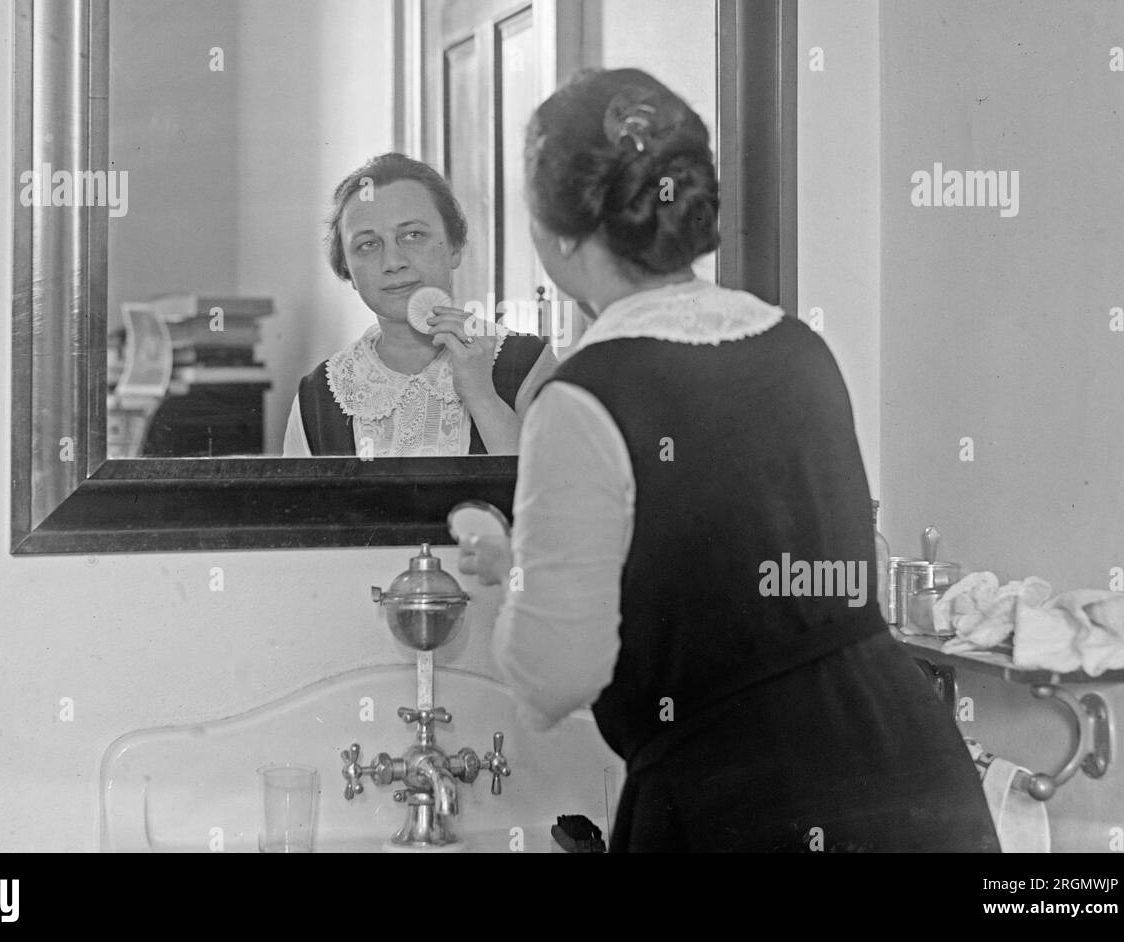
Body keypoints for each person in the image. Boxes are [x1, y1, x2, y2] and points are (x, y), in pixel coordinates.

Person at [459, 68, 1000, 852]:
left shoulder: (582, 398)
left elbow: (554, 677)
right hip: (915, 776)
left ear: (557, 233)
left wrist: (514, 569)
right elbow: (742, 578)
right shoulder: (796, 346)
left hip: (739, 804)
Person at [282, 153, 559, 457]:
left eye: (413, 235)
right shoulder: (318, 395)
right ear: (347, 269)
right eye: (367, 245)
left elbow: (555, 494)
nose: (393, 262)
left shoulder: (526, 362)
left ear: (455, 247)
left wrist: (482, 397)